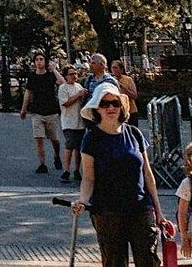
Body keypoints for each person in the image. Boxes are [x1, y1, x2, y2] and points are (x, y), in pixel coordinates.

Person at [72, 82, 172, 267]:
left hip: (140, 208)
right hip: (107, 212)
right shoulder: (91, 138)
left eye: (115, 103)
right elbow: (88, 177)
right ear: (97, 108)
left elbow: (147, 174)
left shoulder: (134, 133)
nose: (111, 107)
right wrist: (83, 201)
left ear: (121, 106)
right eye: (105, 104)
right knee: (114, 262)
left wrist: (158, 211)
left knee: (149, 260)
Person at [20, 51, 64, 174]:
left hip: (51, 110)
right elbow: (28, 93)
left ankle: (57, 156)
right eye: (37, 60)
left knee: (54, 139)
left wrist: (54, 69)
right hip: (37, 111)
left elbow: (62, 83)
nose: (39, 61)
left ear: (45, 61)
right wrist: (24, 109)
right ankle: (42, 163)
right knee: (39, 138)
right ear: (34, 63)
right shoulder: (32, 76)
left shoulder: (50, 75)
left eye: (41, 59)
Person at [58, 64, 87, 183]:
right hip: (68, 121)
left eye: (75, 73)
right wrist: (78, 95)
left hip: (79, 121)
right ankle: (66, 170)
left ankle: (76, 170)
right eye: (71, 74)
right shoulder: (63, 88)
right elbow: (65, 103)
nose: (74, 76)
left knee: (78, 147)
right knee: (69, 144)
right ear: (65, 76)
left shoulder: (79, 86)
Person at [111, 60, 139, 127]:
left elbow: (135, 96)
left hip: (131, 111)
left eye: (116, 68)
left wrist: (123, 87)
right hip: (117, 113)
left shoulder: (128, 79)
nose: (114, 70)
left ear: (121, 69)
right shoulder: (110, 80)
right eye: (112, 68)